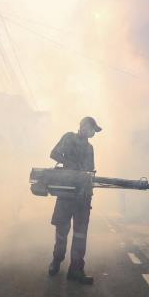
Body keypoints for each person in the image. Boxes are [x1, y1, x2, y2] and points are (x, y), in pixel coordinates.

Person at [47, 116, 102, 285]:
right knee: (62, 231)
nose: (94, 133)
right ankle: (57, 260)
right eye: (93, 129)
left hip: (83, 196)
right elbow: (54, 153)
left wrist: (89, 179)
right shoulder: (69, 137)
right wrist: (70, 163)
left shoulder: (90, 148)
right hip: (66, 193)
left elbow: (90, 170)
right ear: (84, 126)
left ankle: (76, 270)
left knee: (80, 235)